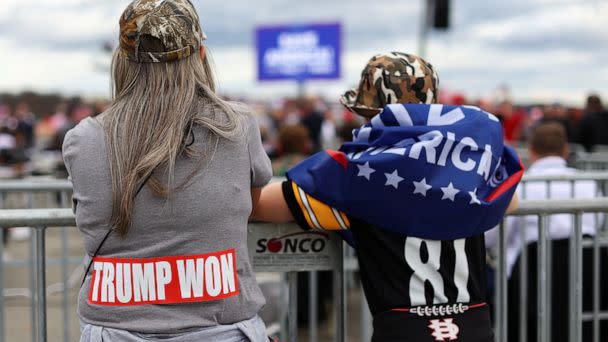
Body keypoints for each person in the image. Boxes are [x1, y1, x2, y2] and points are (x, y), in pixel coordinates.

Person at [252, 52, 522, 341]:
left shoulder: (353, 177)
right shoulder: (472, 173)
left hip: (404, 331)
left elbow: (258, 205)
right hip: (474, 328)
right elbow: (512, 200)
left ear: (373, 115)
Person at [63, 1, 271, 341]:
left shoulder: (82, 140)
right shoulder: (237, 126)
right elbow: (250, 203)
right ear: (200, 55)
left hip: (114, 331)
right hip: (222, 330)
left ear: (122, 60)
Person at [486, 122, 608, 341]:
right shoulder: (588, 182)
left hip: (531, 281)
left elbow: (494, 235)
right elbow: (597, 223)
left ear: (531, 151)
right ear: (566, 149)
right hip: (586, 274)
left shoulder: (519, 186)